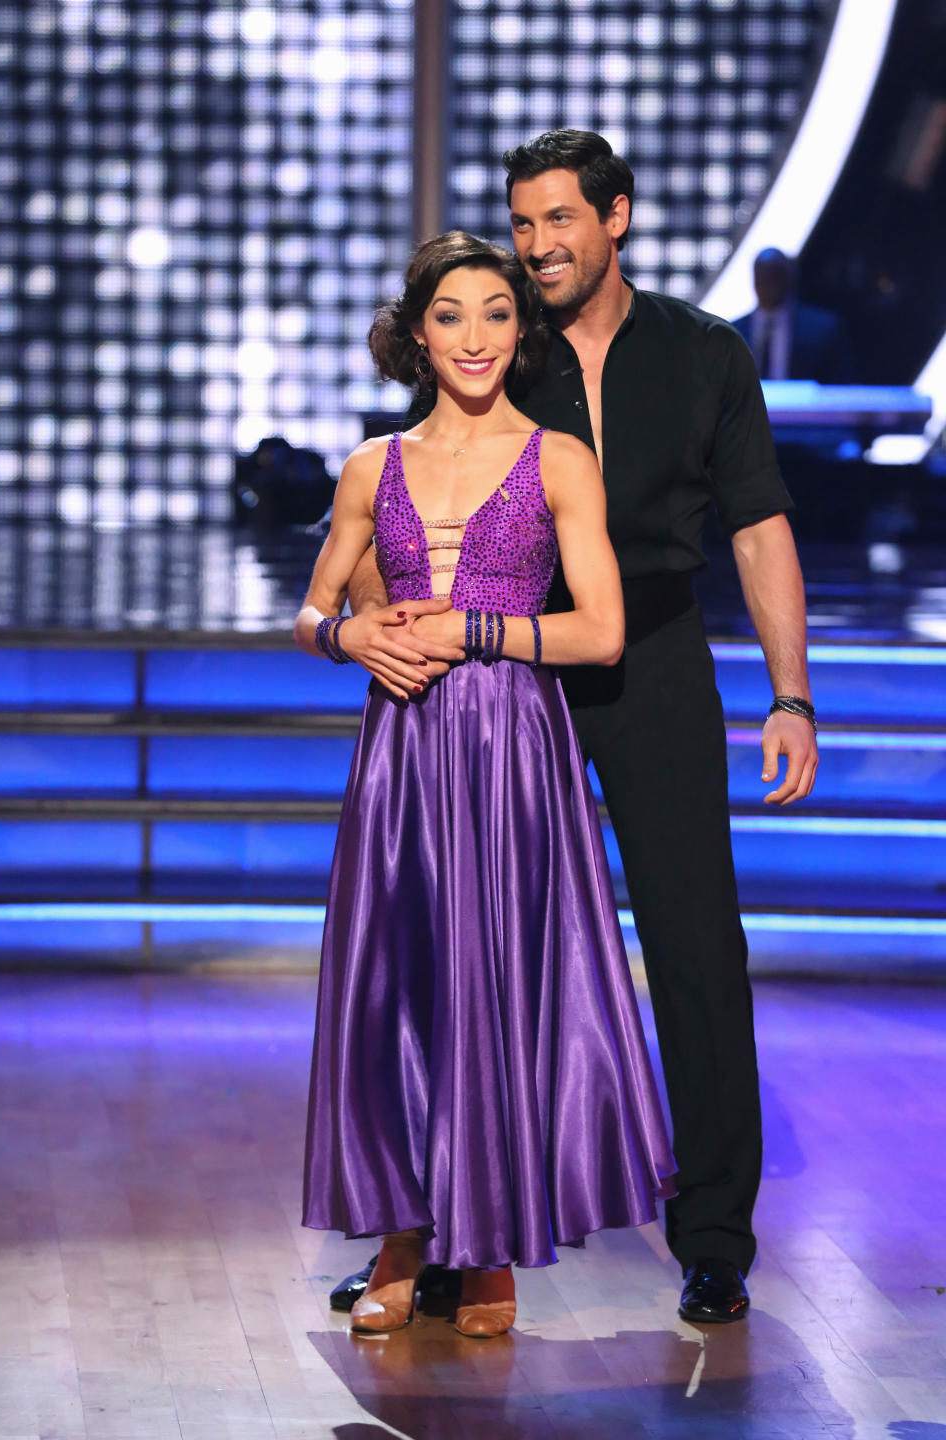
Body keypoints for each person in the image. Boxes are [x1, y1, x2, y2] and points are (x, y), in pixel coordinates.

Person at [333, 131, 819, 1325]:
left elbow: (758, 529)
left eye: (559, 221)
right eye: (524, 223)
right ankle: (447, 1231)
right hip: (498, 690)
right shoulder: (499, 346)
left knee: (698, 946)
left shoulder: (706, 357)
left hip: (648, 660)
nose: (538, 245)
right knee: (467, 954)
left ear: (619, 219)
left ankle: (712, 1235)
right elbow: (402, 508)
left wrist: (791, 693)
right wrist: (365, 627)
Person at [297, 230, 676, 1339]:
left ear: (523, 331)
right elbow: (314, 610)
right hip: (405, 755)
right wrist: (351, 637)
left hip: (514, 751)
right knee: (401, 984)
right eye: (453, 315)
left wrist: (473, 628)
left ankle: (493, 1242)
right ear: (420, 332)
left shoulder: (560, 457)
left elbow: (601, 631)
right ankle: (405, 1237)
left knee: (499, 981)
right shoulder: (373, 464)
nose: (476, 336)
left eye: (498, 314)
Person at [733, 247, 853, 383]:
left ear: (788, 279)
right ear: (754, 281)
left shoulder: (824, 330)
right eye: (763, 279)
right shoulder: (733, 333)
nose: (768, 287)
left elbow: (842, 387)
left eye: (774, 278)